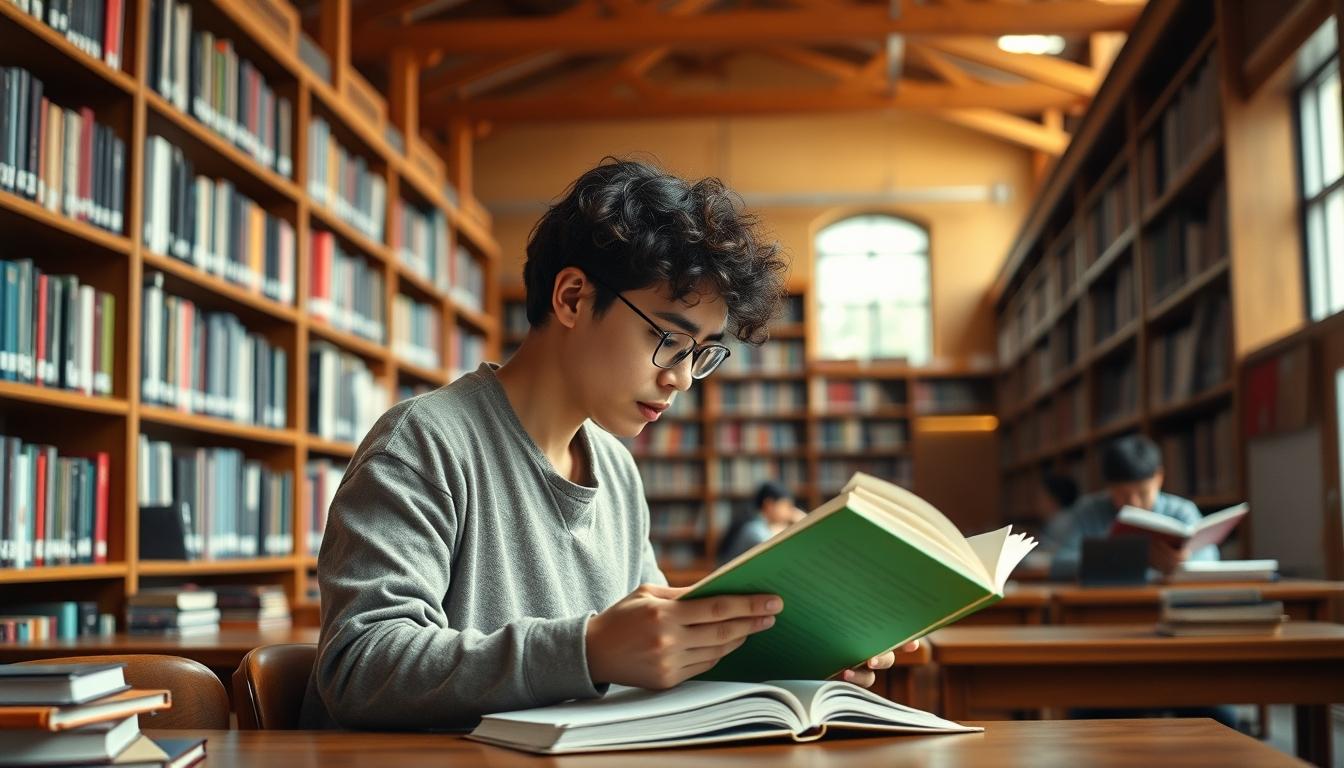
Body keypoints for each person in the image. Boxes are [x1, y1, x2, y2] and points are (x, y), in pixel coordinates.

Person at [299, 159, 919, 730]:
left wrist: (792, 660)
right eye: (669, 340)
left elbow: (643, 659)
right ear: (572, 297)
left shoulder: (616, 470)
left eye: (702, 355)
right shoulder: (426, 443)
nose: (679, 378)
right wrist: (588, 649)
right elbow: (360, 666)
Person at [1047, 434, 1219, 581]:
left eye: (1143, 493)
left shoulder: (1182, 511)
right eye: (1122, 494)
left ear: (1159, 477)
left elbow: (1209, 560)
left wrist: (1183, 563)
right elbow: (1060, 565)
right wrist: (1129, 558)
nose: (1134, 502)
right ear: (1109, 487)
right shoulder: (1089, 511)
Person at [717, 481, 806, 564]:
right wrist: (802, 524)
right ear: (769, 504)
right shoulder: (753, 529)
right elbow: (777, 555)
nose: (790, 511)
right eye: (786, 506)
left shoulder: (763, 525)